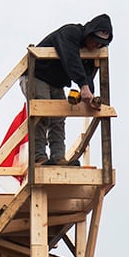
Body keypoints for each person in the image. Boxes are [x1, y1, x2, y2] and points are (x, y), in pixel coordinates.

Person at [25, 14, 113, 166]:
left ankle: (58, 158)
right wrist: (83, 87)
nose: (96, 46)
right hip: (37, 75)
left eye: (101, 44)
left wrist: (89, 95)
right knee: (42, 114)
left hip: (56, 83)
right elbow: (71, 59)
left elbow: (88, 75)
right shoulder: (70, 33)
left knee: (58, 119)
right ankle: (39, 158)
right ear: (89, 33)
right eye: (96, 41)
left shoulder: (90, 51)